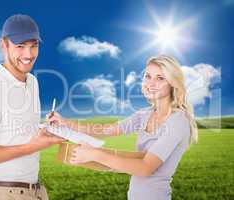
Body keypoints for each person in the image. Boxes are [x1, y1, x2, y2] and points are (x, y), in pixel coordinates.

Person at [48, 55, 198, 200]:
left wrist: (94, 155)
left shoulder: (178, 120)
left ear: (172, 82)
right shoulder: (144, 115)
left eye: (160, 78)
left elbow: (145, 168)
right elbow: (105, 130)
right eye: (147, 76)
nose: (151, 83)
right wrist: (64, 122)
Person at [0, 14, 65, 200]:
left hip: (35, 190)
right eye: (20, 46)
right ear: (3, 44)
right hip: (5, 193)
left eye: (33, 45)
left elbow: (15, 132)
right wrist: (31, 146)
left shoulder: (32, 82)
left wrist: (44, 130)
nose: (28, 55)